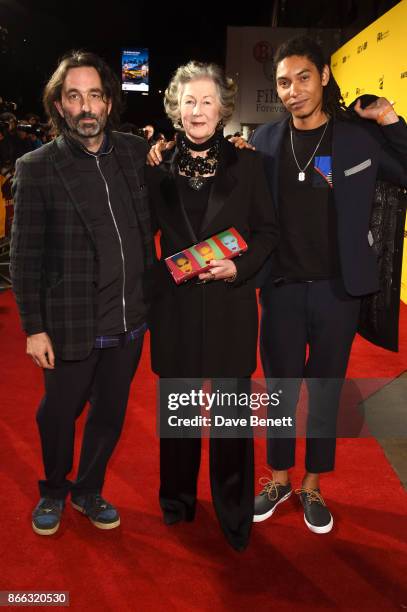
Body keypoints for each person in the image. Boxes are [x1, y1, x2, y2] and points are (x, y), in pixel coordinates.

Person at [243, 36, 407, 533]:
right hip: (281, 290)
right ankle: (277, 478)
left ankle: (313, 484)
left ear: (326, 76)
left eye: (304, 78)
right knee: (280, 391)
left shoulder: (359, 140)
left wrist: (392, 121)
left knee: (326, 390)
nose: (293, 90)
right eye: (284, 82)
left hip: (338, 292)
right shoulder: (264, 142)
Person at [10, 51, 154, 536]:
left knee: (110, 415)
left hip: (129, 321)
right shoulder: (37, 167)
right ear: (59, 105)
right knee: (57, 414)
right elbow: (24, 258)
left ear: (109, 102)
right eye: (74, 96)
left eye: (94, 94)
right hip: (71, 321)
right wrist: (34, 329)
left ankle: (88, 489)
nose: (85, 106)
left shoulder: (134, 153)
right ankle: (53, 488)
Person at [146, 61, 278, 551]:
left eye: (206, 101)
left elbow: (268, 233)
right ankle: (177, 503)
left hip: (230, 306)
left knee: (229, 424)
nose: (197, 110)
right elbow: (145, 239)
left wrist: (238, 269)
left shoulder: (247, 163)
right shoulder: (155, 165)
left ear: (223, 110)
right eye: (188, 101)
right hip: (176, 311)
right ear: (175, 110)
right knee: (178, 418)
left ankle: (233, 511)